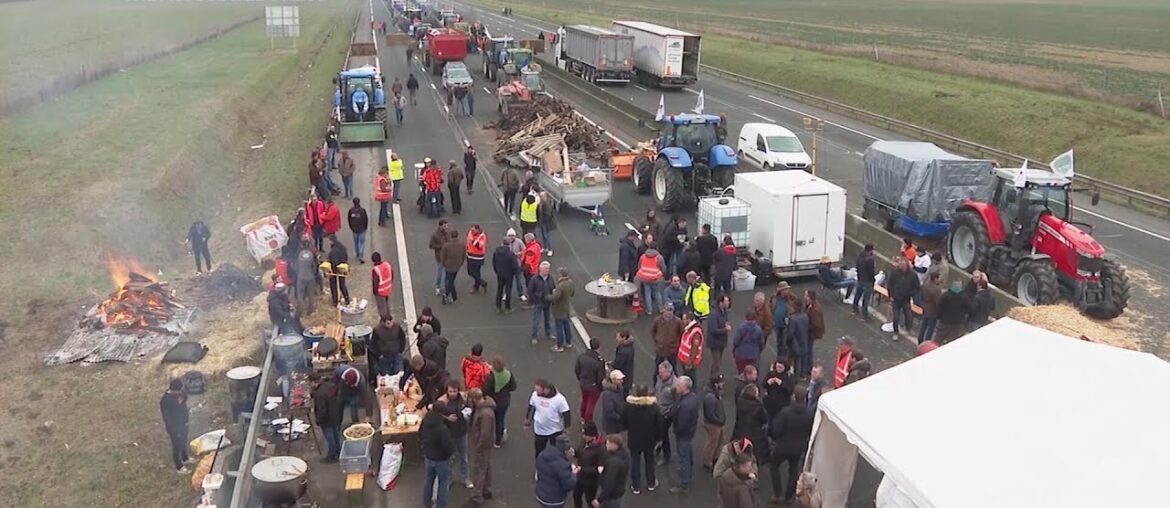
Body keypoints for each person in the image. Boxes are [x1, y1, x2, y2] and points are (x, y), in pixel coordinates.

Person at [769, 386, 814, 505]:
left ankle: (777, 493)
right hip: (798, 447)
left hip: (783, 446)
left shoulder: (785, 412)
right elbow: (810, 430)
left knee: (774, 465)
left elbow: (777, 430)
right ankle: (789, 496)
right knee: (793, 471)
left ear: (794, 396)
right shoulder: (809, 413)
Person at [623, 384, 661, 494]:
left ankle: (636, 486)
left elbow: (624, 421)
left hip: (634, 438)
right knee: (650, 461)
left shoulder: (629, 407)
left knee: (635, 461)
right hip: (649, 439)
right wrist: (658, 438)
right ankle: (651, 483)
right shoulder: (653, 407)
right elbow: (659, 425)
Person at [420, 400, 457, 508]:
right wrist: (452, 452)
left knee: (428, 481)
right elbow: (447, 446)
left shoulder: (426, 420)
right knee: (443, 484)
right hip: (442, 460)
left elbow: (420, 434)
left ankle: (427, 504)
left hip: (428, 457)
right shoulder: (442, 428)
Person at [438, 381, 472, 489]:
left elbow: (470, 406)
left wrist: (468, 412)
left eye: (455, 391)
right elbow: (437, 414)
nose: (452, 393)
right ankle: (448, 479)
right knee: (449, 458)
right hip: (449, 433)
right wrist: (447, 418)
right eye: (450, 391)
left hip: (461, 431)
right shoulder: (443, 401)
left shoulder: (463, 398)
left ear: (458, 390)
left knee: (464, 457)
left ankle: (465, 478)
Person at [527, 379, 572, 458]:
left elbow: (566, 413)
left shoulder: (559, 399)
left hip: (555, 430)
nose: (535, 391)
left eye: (538, 389)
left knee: (557, 452)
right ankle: (540, 467)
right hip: (539, 430)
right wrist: (527, 421)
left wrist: (566, 428)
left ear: (546, 389)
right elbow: (531, 407)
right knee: (539, 451)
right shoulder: (535, 395)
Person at [670, 376, 700, 495]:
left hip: (683, 434)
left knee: (683, 458)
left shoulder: (685, 405)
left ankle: (684, 484)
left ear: (684, 387)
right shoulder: (693, 398)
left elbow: (681, 423)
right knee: (688, 453)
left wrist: (676, 430)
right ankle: (687, 471)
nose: (676, 387)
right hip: (690, 432)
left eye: (678, 385)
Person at [535, 434, 578, 508]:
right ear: (565, 451)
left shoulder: (542, 455)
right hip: (554, 500)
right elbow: (569, 484)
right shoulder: (562, 465)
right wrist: (574, 473)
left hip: (541, 495)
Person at [310, 372, 344, 463]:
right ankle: (339, 451)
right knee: (336, 435)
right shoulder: (330, 386)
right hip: (336, 414)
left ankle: (331, 456)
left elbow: (322, 410)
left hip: (327, 419)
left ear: (314, 382)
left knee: (330, 437)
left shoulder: (319, 394)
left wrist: (318, 420)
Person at [483, 356, 516, 447]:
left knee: (490, 419)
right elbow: (513, 387)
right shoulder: (508, 374)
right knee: (500, 419)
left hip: (493, 401)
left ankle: (488, 437)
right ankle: (498, 440)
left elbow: (484, 390)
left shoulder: (490, 377)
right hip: (504, 401)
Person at [160, 378, 192, 473]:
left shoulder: (179, 394)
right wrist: (174, 431)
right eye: (179, 391)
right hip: (174, 428)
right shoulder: (165, 401)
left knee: (183, 442)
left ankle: (185, 458)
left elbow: (185, 397)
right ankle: (179, 466)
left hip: (183, 423)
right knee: (177, 446)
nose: (180, 393)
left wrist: (182, 394)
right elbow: (168, 419)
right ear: (173, 390)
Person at [573, 422, 605, 508]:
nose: (583, 436)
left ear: (592, 436)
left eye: (585, 435)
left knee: (590, 502)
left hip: (591, 482)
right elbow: (580, 453)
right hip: (580, 477)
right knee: (576, 495)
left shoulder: (600, 449)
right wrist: (574, 453)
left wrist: (582, 469)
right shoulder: (584, 441)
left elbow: (599, 469)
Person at [653, 361, 679, 465]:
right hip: (657, 409)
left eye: (662, 372)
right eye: (659, 371)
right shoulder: (659, 378)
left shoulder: (675, 385)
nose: (660, 374)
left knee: (664, 434)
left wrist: (669, 414)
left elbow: (677, 402)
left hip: (666, 414)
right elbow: (656, 390)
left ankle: (666, 456)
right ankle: (658, 444)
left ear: (669, 372)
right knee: (656, 431)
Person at [887, 257, 921, 338]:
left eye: (902, 264)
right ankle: (895, 332)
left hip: (906, 299)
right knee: (896, 317)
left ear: (906, 264)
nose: (900, 266)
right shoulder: (894, 273)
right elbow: (890, 284)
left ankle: (908, 328)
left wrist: (910, 294)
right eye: (899, 264)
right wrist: (890, 295)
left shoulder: (912, 274)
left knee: (908, 315)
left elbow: (917, 287)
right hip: (895, 299)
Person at [575, 338, 606, 422]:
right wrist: (601, 387)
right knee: (591, 404)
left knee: (584, 400)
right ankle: (588, 420)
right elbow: (600, 376)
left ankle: (582, 417)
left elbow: (577, 369)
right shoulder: (599, 360)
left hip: (583, 383)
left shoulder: (582, 357)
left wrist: (580, 379)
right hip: (594, 386)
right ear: (599, 347)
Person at [596, 435, 630, 507]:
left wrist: (599, 499)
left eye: (608, 443)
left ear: (614, 445)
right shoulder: (623, 455)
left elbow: (609, 482)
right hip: (618, 492)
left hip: (611, 497)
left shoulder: (613, 462)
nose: (606, 445)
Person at [701, 374, 726, 470]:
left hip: (718, 423)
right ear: (716, 384)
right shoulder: (710, 397)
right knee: (712, 443)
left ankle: (714, 457)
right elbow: (710, 414)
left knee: (719, 441)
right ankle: (707, 461)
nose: (723, 384)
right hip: (713, 425)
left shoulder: (715, 393)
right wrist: (719, 421)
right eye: (721, 383)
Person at [528, 260, 555, 345]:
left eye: (548, 268)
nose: (547, 270)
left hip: (547, 302)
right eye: (545, 268)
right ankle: (534, 336)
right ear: (540, 269)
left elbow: (553, 288)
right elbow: (530, 290)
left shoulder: (550, 278)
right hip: (538, 303)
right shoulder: (534, 279)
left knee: (548, 319)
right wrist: (534, 300)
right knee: (536, 320)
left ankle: (548, 334)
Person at [635, 244, 666, 315]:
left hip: (645, 277)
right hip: (655, 278)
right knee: (657, 293)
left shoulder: (643, 256)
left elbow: (639, 266)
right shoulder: (659, 257)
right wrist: (662, 273)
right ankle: (661, 308)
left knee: (647, 293)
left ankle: (649, 310)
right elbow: (663, 268)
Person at [550, 267, 576, 351]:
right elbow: (572, 293)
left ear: (560, 275)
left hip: (559, 309)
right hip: (566, 308)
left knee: (559, 328)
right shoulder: (571, 283)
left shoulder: (560, 285)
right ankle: (568, 342)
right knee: (566, 325)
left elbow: (555, 297)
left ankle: (559, 346)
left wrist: (548, 296)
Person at [732, 309, 765, 375]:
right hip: (753, 355)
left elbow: (735, 341)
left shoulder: (740, 328)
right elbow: (761, 343)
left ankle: (742, 383)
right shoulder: (758, 329)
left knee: (742, 372)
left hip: (741, 354)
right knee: (752, 372)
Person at [706, 293, 732, 378]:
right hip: (715, 342)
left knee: (718, 362)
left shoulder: (724, 312)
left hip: (721, 341)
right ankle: (714, 379)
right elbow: (713, 330)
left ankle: (714, 378)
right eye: (727, 301)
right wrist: (725, 329)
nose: (728, 303)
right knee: (716, 363)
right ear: (721, 302)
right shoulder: (714, 314)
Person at [491, 238, 519, 313]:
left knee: (499, 289)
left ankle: (498, 306)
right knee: (508, 290)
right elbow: (514, 265)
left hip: (500, 274)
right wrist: (514, 273)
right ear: (509, 244)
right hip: (509, 274)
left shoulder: (496, 252)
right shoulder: (511, 254)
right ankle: (507, 307)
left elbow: (494, 262)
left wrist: (497, 271)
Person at [788, 297, 812, 378]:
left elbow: (790, 333)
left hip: (795, 343)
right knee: (803, 359)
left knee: (796, 361)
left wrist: (787, 341)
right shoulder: (805, 316)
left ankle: (796, 377)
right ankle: (803, 375)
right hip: (804, 341)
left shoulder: (793, 318)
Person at [677, 312, 704, 381]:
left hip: (689, 363)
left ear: (688, 320)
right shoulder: (688, 329)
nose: (682, 321)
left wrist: (689, 363)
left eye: (684, 319)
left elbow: (694, 349)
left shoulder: (696, 332)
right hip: (684, 360)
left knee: (691, 379)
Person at [440, 230, 466, 304]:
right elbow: (464, 255)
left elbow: (442, 257)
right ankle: (453, 296)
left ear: (451, 235)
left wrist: (444, 264)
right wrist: (461, 263)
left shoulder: (446, 245)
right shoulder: (462, 244)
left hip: (448, 266)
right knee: (452, 280)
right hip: (457, 265)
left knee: (450, 280)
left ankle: (448, 294)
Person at [294, 241, 318, 316]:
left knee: (300, 294)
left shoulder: (299, 254)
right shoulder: (311, 255)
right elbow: (315, 266)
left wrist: (298, 273)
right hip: (310, 277)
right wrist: (313, 274)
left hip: (301, 276)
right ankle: (310, 310)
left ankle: (300, 311)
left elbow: (295, 265)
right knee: (310, 294)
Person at [770, 282, 794, 359]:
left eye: (787, 289)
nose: (786, 291)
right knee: (779, 342)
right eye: (784, 290)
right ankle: (779, 357)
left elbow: (795, 308)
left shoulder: (792, 298)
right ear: (780, 290)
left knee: (786, 342)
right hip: (777, 324)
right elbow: (770, 307)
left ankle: (785, 359)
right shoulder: (774, 298)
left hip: (786, 325)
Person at [599, 370, 627, 436]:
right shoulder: (607, 394)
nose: (622, 381)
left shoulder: (620, 388)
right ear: (613, 380)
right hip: (610, 425)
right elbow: (609, 412)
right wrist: (620, 418)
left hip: (617, 423)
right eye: (619, 379)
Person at [919, 272, 944, 344]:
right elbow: (938, 302)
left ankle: (920, 340)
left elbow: (921, 295)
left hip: (925, 308)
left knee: (923, 326)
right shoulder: (936, 289)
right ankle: (927, 342)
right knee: (930, 328)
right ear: (935, 279)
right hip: (933, 311)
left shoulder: (925, 285)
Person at [853, 243, 876, 319]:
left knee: (858, 294)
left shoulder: (860, 256)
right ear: (871, 250)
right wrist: (873, 280)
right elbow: (871, 272)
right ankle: (865, 315)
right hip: (867, 281)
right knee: (866, 298)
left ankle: (855, 309)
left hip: (860, 278)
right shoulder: (870, 259)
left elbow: (857, 267)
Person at [464, 224, 488, 294]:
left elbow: (480, 246)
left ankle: (478, 285)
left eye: (473, 230)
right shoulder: (470, 233)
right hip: (470, 255)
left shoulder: (482, 236)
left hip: (478, 256)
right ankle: (480, 283)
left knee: (475, 272)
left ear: (478, 229)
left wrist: (472, 241)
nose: (472, 231)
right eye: (471, 230)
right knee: (471, 272)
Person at [326, 237, 350, 306]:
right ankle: (347, 299)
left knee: (334, 286)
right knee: (342, 285)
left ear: (331, 241)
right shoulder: (343, 248)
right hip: (342, 269)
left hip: (335, 271)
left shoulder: (334, 251)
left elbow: (334, 261)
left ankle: (336, 301)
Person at [370, 252, 394, 319]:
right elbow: (392, 275)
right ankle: (389, 317)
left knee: (382, 307)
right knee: (386, 304)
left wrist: (375, 292)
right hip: (388, 288)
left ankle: (385, 320)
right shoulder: (387, 265)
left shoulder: (376, 270)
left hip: (380, 291)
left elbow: (375, 283)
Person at [430, 220, 451, 295]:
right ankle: (438, 287)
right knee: (440, 272)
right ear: (440, 226)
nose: (446, 227)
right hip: (440, 257)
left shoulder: (448, 233)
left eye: (447, 226)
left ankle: (446, 286)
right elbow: (431, 245)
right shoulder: (435, 235)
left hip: (448, 256)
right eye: (445, 226)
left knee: (448, 273)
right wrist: (440, 246)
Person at [612, 330, 634, 395]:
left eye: (618, 337)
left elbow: (617, 365)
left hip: (623, 379)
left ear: (623, 338)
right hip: (628, 377)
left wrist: (612, 364)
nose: (616, 338)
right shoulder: (630, 347)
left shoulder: (623, 351)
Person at [346, 198, 368, 263]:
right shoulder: (362, 210)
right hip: (362, 229)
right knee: (361, 242)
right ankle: (361, 255)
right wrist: (365, 227)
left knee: (356, 242)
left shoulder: (351, 211)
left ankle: (357, 254)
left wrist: (351, 227)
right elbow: (365, 219)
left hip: (354, 229)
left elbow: (349, 220)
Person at [537, 191, 557, 256]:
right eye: (540, 196)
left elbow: (548, 215)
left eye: (542, 196)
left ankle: (550, 249)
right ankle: (545, 247)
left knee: (547, 236)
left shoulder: (547, 204)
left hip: (546, 223)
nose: (540, 197)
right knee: (544, 236)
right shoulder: (542, 203)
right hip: (543, 222)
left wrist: (543, 221)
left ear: (545, 197)